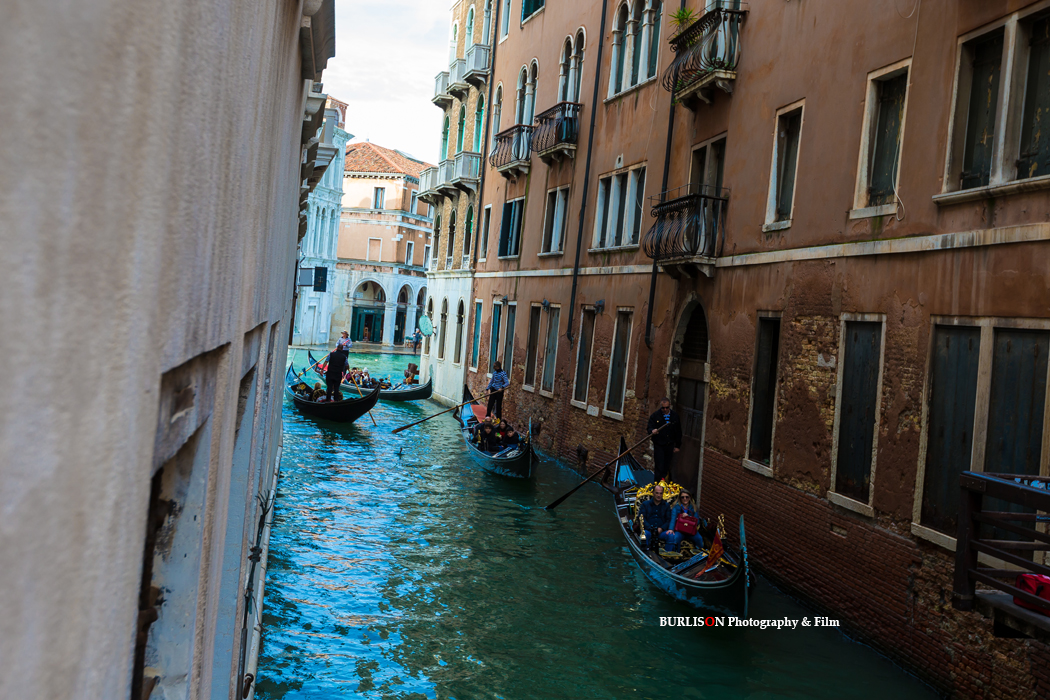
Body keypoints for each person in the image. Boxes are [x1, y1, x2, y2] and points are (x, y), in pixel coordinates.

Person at [647, 398, 682, 484]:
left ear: (669, 406)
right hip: (659, 444)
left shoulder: (674, 416)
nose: (665, 410)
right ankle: (657, 485)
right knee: (659, 465)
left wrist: (677, 446)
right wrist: (652, 430)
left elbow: (678, 431)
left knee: (666, 466)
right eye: (663, 408)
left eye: (667, 408)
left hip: (669, 445)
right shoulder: (655, 416)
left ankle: (664, 484)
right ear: (661, 407)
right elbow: (649, 427)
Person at [637, 484, 672, 552]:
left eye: (660, 493)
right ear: (653, 493)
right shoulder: (645, 504)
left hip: (661, 532)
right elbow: (641, 518)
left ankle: (668, 555)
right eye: (657, 493)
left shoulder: (666, 506)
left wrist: (661, 528)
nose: (659, 495)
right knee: (645, 535)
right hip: (648, 530)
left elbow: (668, 520)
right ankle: (646, 555)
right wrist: (650, 528)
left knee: (670, 536)